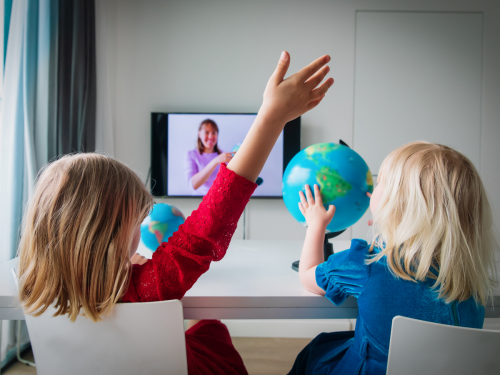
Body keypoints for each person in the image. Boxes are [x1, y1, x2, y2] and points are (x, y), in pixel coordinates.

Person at [17, 51, 334, 375]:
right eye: (134, 224)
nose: (138, 230)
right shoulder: (145, 287)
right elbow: (211, 220)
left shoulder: (31, 287)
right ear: (110, 234)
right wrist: (272, 116)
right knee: (208, 327)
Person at [289, 142, 498, 375]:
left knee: (317, 349)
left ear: (396, 205)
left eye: (380, 184)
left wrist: (315, 224)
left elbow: (309, 276)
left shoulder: (365, 263)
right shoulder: (469, 274)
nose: (372, 190)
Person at [185, 119, 234, 195]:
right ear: (199, 134)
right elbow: (193, 185)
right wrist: (215, 162)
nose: (210, 136)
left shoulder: (224, 155)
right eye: (206, 132)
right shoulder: (191, 155)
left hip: (220, 201)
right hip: (199, 201)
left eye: (214, 133)